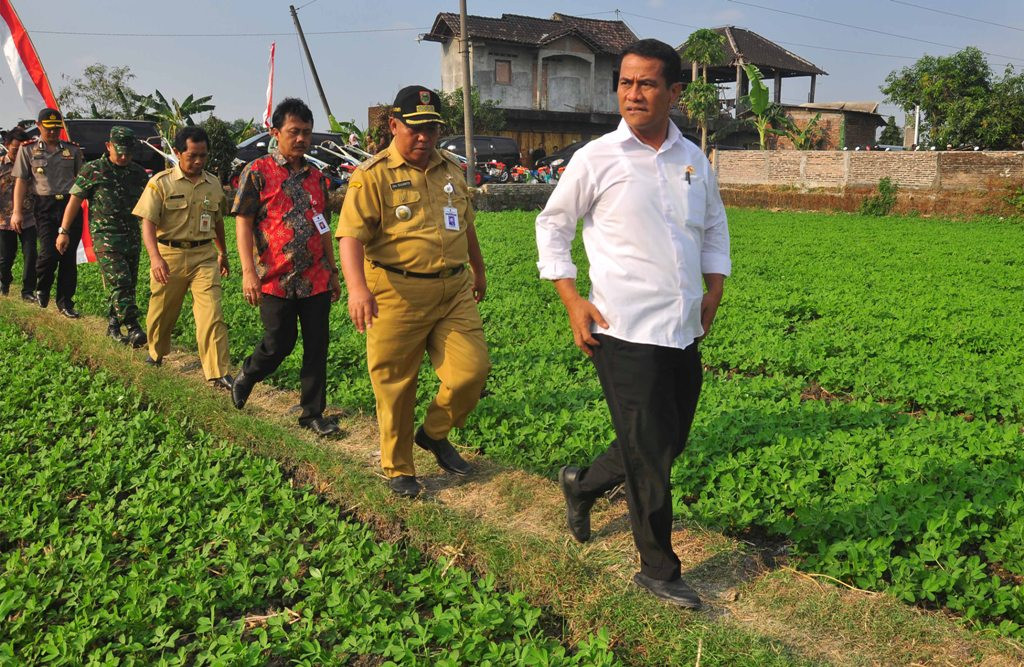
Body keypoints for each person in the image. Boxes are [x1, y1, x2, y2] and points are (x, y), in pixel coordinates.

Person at [535, 38, 731, 609]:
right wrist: (572, 299)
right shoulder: (598, 157)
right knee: (649, 454)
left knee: (667, 443)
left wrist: (715, 285)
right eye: (625, 82)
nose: (632, 93)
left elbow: (714, 226)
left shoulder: (693, 159)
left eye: (646, 84)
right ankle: (658, 571)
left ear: (674, 92)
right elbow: (553, 226)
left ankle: (582, 483)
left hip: (682, 327)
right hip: (622, 329)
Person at [337, 85, 490, 498]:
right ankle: (398, 467)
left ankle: (434, 433)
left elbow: (466, 222)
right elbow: (349, 236)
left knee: (471, 371)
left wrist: (478, 268)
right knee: (396, 384)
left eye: (432, 129)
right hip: (394, 291)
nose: (424, 138)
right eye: (416, 129)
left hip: (453, 290)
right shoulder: (372, 177)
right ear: (394, 126)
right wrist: (357, 289)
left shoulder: (451, 169)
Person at [230, 98, 342, 436]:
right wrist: (248, 271)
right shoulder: (258, 172)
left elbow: (322, 225)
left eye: (307, 133)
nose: (301, 139)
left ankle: (312, 414)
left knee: (317, 345)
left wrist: (333, 270)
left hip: (315, 277)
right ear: (276, 132)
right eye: (294, 132)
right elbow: (243, 223)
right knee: (279, 342)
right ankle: (249, 373)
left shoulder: (318, 178)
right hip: (275, 278)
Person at [132, 126, 233, 390]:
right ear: (177, 153)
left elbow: (218, 222)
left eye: (203, 155)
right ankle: (156, 352)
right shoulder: (160, 183)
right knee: (162, 312)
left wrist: (223, 252)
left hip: (204, 257)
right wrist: (155, 258)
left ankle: (217, 371)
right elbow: (148, 224)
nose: (199, 161)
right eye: (192, 156)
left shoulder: (213, 184)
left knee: (212, 313)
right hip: (169, 256)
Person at [56, 126, 149, 346]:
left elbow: (149, 207)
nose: (124, 157)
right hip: (105, 237)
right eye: (119, 152)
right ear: (108, 146)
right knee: (120, 280)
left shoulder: (138, 173)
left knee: (127, 284)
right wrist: (64, 231)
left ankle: (113, 325)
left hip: (132, 237)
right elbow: (75, 201)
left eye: (128, 152)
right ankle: (133, 327)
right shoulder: (93, 170)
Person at [10, 108, 84, 316]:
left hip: (70, 205)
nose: (52, 133)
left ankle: (65, 303)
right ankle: (42, 287)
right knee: (48, 254)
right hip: (44, 206)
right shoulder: (28, 149)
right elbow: (21, 181)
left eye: (56, 129)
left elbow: (82, 181)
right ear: (39, 125)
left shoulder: (73, 150)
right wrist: (16, 211)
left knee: (68, 257)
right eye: (48, 129)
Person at [0, 127, 37, 300]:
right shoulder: (1, 165)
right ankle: (4, 285)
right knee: (5, 257)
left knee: (31, 254)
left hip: (28, 217)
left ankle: (28, 291)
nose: (20, 154)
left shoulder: (33, 166)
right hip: (3, 219)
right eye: (16, 150)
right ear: (7, 146)